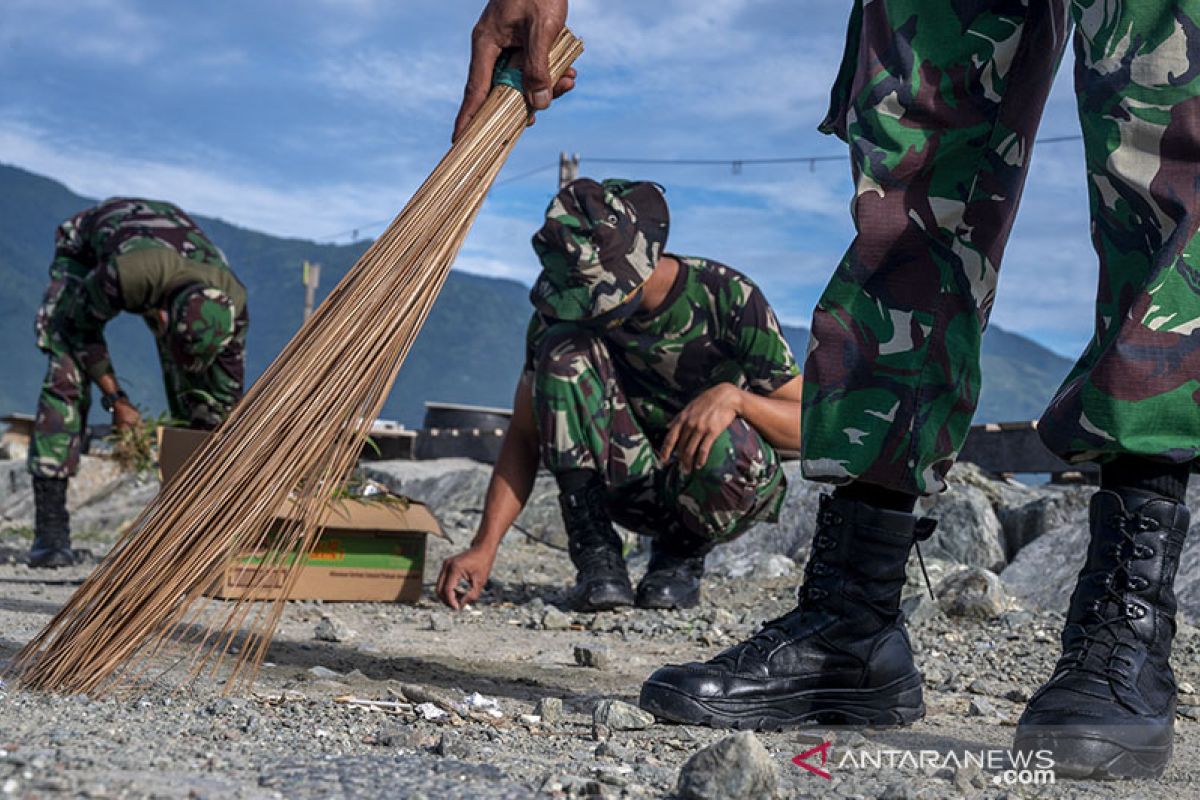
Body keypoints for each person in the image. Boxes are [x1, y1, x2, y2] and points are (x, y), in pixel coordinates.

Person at [455, 0, 1200, 780]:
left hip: (705, 478)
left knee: (1161, 132)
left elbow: (785, 410)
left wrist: (736, 403)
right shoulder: (572, 334)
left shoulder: (720, 297)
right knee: (913, 181)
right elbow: (528, 428)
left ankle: (1126, 621)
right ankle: (853, 622)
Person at [437, 177, 802, 612]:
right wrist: (484, 546)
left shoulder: (726, 297)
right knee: (563, 349)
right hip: (619, 484)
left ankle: (679, 557)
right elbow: (524, 436)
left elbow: (814, 427)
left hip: (710, 489)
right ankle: (597, 555)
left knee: (729, 433)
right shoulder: (559, 321)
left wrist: (736, 400)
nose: (587, 312)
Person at [28, 197, 248, 568]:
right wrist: (118, 401)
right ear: (163, 316)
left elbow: (227, 398)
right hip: (88, 248)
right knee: (67, 371)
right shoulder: (123, 275)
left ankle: (187, 524)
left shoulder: (233, 308)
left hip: (170, 264)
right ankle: (50, 533)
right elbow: (79, 330)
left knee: (201, 399)